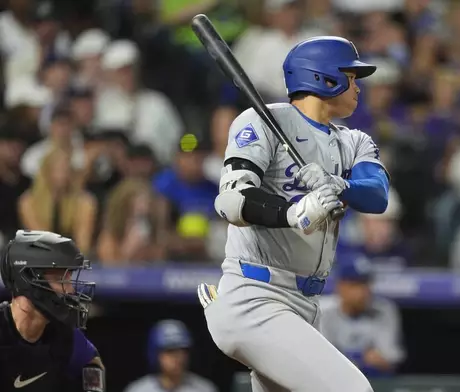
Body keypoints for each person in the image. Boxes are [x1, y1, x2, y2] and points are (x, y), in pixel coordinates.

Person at [197, 36, 388, 392]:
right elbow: (231, 201)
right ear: (324, 78)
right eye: (351, 76)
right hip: (255, 295)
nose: (358, 86)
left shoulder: (354, 141)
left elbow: (377, 195)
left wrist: (338, 184)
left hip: (304, 304)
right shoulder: (262, 121)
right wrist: (294, 212)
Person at [0, 230, 105, 392]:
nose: (70, 290)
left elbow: (92, 363)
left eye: (69, 280)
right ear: (27, 279)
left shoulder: (67, 338)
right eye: (60, 280)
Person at [319, 256, 405, 377]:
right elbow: (322, 360)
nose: (364, 291)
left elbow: (388, 361)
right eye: (356, 284)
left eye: (366, 283)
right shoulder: (322, 311)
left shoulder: (384, 310)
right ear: (341, 286)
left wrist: (346, 357)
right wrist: (361, 357)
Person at [123, 319, 217, 392]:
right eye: (170, 351)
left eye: (182, 350)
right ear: (155, 354)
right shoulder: (138, 390)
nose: (177, 357)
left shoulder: (204, 389)